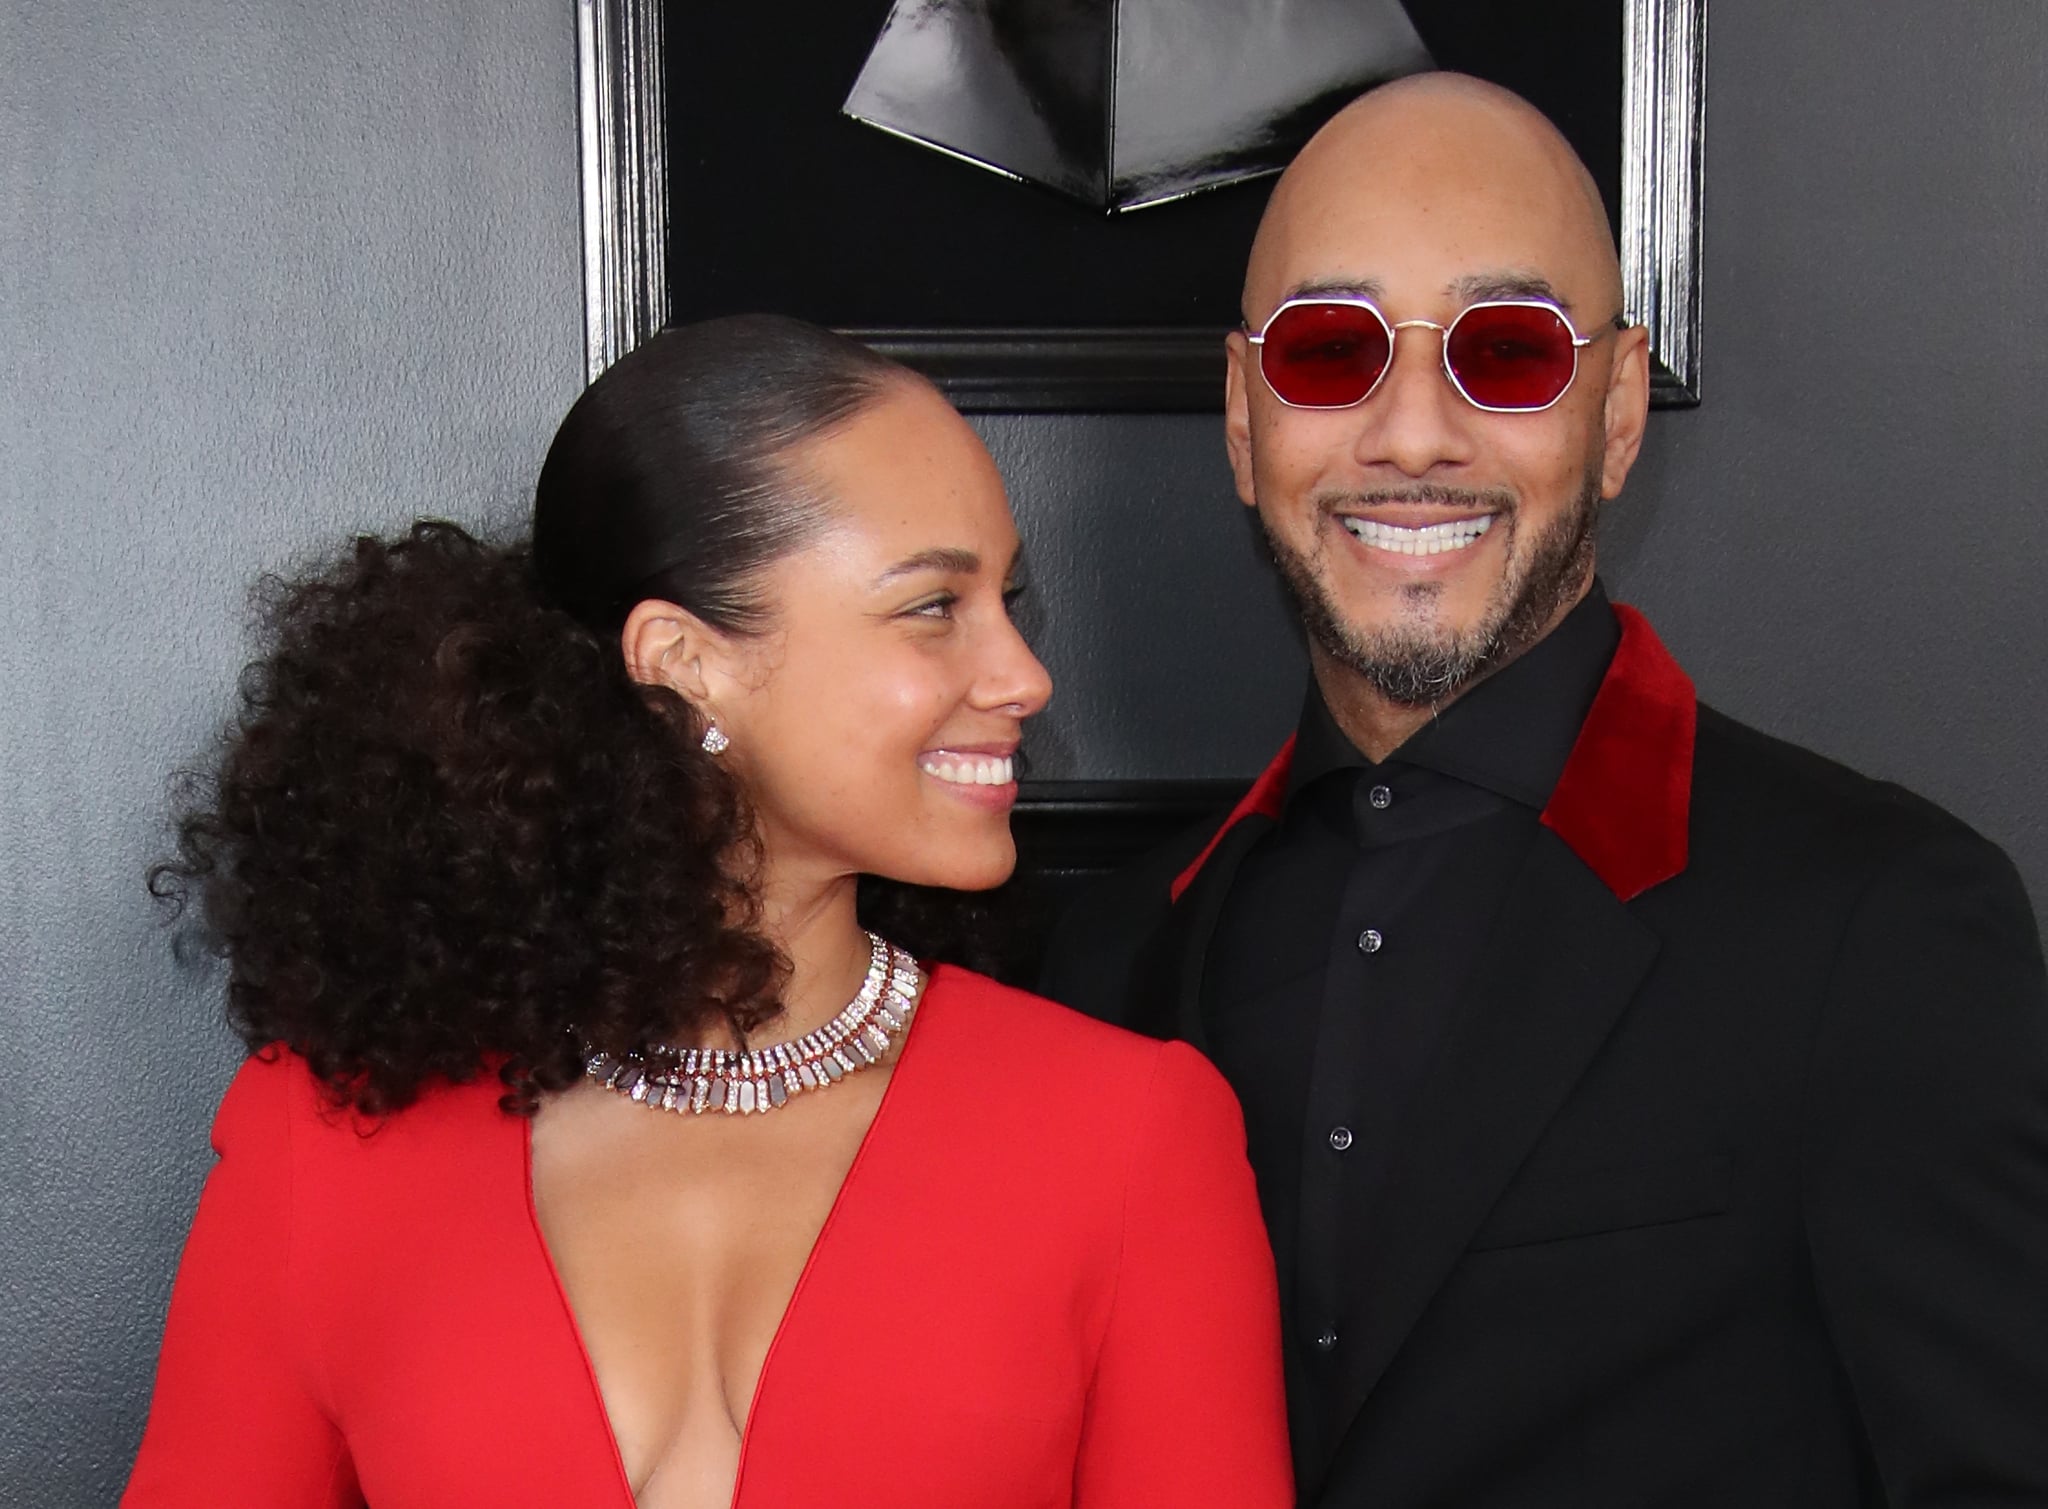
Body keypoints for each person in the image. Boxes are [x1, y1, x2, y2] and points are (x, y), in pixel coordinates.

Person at [1042, 74, 2048, 1507]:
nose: (1409, 436)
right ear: (1243, 420)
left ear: (1619, 410)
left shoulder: (1875, 927)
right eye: (1330, 353)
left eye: (1503, 352)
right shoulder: (1112, 963)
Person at [123, 315, 1292, 1509]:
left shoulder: (1130, 1138)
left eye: (1006, 598)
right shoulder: (325, 1136)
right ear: (684, 662)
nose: (1022, 675)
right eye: (934, 606)